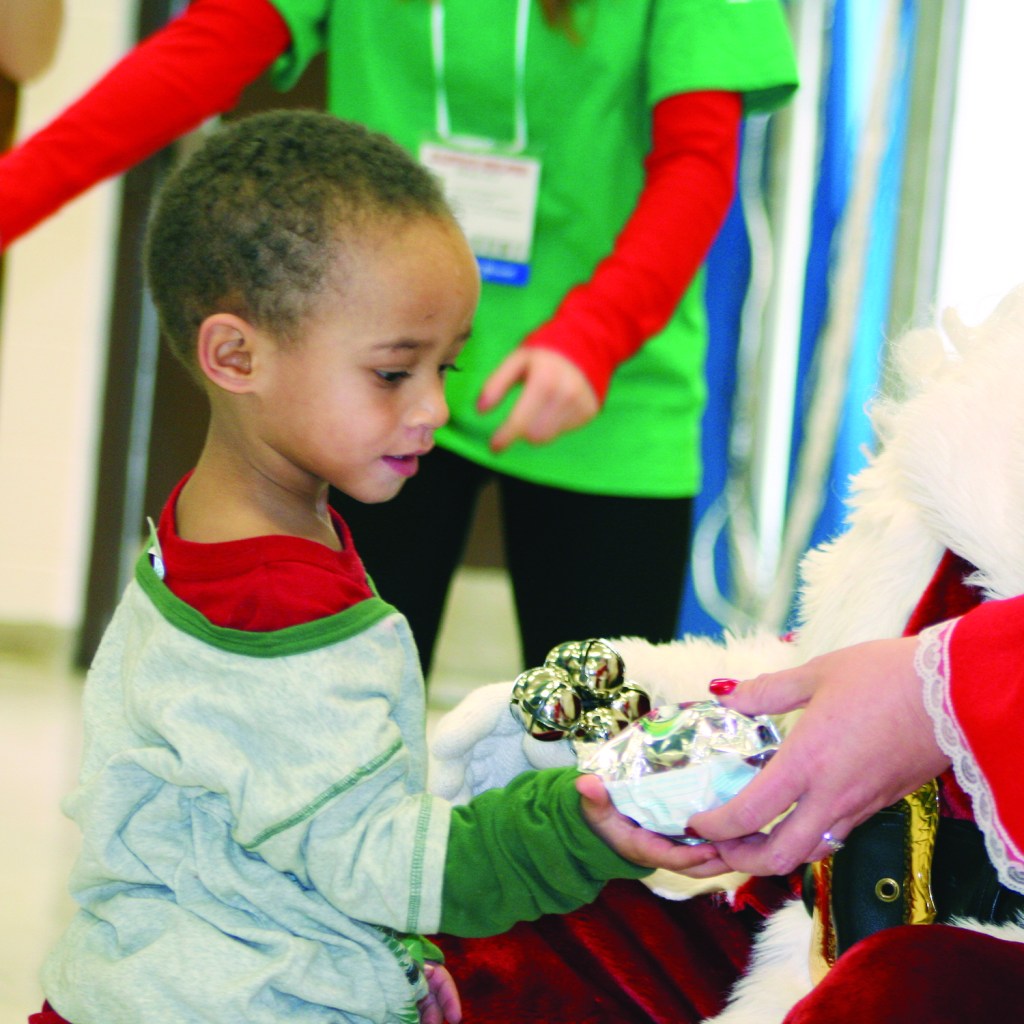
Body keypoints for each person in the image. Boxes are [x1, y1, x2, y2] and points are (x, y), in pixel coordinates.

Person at [27, 109, 718, 1024]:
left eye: (446, 369)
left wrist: (384, 961)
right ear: (236, 356)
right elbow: (380, 861)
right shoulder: (279, 610)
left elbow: (289, 813)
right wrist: (579, 824)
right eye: (394, 373)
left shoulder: (217, 523)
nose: (434, 409)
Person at [0, 0, 799, 673]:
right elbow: (206, 48)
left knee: (592, 756)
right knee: (333, 725)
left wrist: (593, 337)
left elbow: (698, 163)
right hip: (373, 374)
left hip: (605, 388)